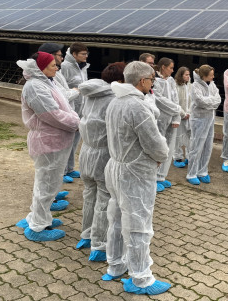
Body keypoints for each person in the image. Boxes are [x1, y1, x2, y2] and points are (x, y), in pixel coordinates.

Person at [102, 61, 171, 295]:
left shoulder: (115, 101)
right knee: (139, 224)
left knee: (117, 218)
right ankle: (141, 277)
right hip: (135, 172)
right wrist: (161, 157)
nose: (153, 83)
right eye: (152, 79)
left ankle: (115, 266)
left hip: (116, 167)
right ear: (142, 81)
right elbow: (154, 142)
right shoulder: (137, 106)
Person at [15, 52, 80, 241]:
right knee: (46, 185)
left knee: (48, 184)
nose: (57, 67)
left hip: (55, 140)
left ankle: (39, 217)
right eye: (53, 65)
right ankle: (37, 227)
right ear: (41, 68)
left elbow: (63, 105)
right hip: (48, 141)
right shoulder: (35, 87)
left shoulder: (46, 82)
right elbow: (53, 115)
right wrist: (77, 122)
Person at [75, 62, 126, 261]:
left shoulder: (91, 94)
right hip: (104, 154)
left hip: (86, 151)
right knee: (104, 200)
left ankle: (86, 235)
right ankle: (99, 244)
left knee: (89, 196)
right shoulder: (114, 98)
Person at [37, 42, 79, 209]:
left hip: (58, 131)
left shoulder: (51, 78)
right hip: (49, 134)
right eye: (59, 56)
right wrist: (76, 92)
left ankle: (51, 195)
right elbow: (54, 110)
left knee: (53, 170)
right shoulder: (37, 85)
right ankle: (46, 205)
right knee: (47, 172)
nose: (60, 61)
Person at [186, 65, 222, 185]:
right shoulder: (195, 85)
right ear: (204, 75)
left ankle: (203, 171)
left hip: (210, 119)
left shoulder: (212, 84)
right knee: (196, 146)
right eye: (211, 74)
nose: (213, 76)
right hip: (199, 120)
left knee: (207, 145)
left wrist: (210, 102)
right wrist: (211, 102)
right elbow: (199, 101)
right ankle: (191, 173)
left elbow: (218, 99)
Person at [153, 57, 184, 192]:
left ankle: (161, 176)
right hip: (160, 118)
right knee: (158, 148)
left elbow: (175, 99)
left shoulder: (171, 81)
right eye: (170, 68)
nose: (172, 70)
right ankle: (152, 178)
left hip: (172, 119)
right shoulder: (155, 81)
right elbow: (160, 100)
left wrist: (176, 117)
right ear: (163, 67)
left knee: (169, 148)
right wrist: (177, 110)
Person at [60, 42, 89, 183]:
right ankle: (63, 170)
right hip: (70, 108)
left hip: (81, 110)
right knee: (67, 141)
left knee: (75, 141)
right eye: (83, 54)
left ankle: (70, 168)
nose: (86, 56)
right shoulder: (65, 67)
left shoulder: (83, 67)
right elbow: (62, 89)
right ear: (74, 54)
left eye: (86, 53)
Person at [173, 67, 192, 168]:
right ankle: (177, 157)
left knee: (189, 137)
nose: (188, 77)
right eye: (186, 75)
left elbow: (191, 101)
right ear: (181, 75)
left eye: (189, 75)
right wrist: (183, 114)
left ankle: (189, 157)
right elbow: (175, 102)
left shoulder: (189, 86)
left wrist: (189, 113)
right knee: (177, 137)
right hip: (179, 116)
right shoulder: (175, 86)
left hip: (189, 116)